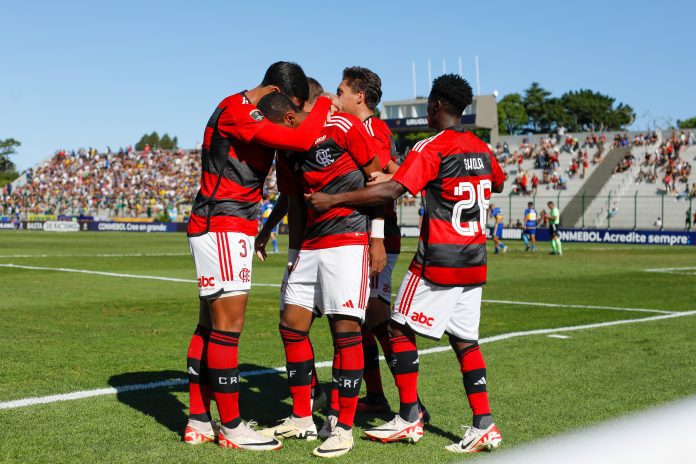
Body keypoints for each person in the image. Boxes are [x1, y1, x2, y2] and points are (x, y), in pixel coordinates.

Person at [306, 74, 504, 453]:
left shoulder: (431, 146)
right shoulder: (481, 148)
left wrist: (333, 200)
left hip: (439, 259)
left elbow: (394, 190)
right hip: (474, 260)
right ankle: (484, 423)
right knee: (465, 341)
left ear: (436, 106)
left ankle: (410, 415)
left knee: (396, 330)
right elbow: (495, 182)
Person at [184, 61, 337, 451]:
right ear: (274, 93)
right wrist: (324, 105)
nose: (291, 119)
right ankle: (232, 427)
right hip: (224, 223)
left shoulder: (240, 107)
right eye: (292, 109)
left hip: (222, 224)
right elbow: (302, 140)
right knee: (228, 327)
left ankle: (199, 420)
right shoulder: (239, 109)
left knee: (210, 324)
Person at [254, 89, 386, 458]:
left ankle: (342, 427)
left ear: (292, 116)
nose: (275, 137)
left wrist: (376, 238)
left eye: (278, 128)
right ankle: (302, 417)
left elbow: (377, 180)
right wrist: (289, 249)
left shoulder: (343, 125)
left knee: (345, 330)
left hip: (348, 240)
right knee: (291, 324)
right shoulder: (286, 148)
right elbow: (293, 200)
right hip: (309, 246)